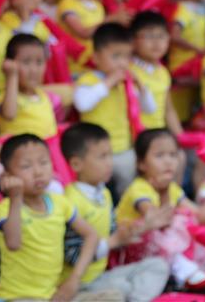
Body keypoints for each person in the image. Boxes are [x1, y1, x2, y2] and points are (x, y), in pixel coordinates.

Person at [60, 123, 171, 301]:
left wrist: (140, 228)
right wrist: (113, 241)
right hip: (79, 283)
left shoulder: (104, 193)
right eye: (102, 157)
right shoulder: (70, 201)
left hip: (103, 277)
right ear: (76, 164)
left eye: (110, 155)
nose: (109, 162)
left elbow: (113, 231)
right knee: (121, 289)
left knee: (158, 266)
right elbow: (71, 254)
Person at [0, 134, 98, 301]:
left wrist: (74, 280)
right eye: (26, 166)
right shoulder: (6, 207)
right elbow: (13, 243)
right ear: (8, 176)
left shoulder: (59, 202)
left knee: (112, 295)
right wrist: (15, 198)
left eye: (43, 162)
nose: (38, 172)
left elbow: (91, 235)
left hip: (52, 294)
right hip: (18, 297)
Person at [116, 129, 205, 290]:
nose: (168, 161)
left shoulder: (172, 188)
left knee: (190, 221)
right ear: (141, 163)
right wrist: (164, 193)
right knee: (178, 220)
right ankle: (182, 269)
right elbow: (158, 221)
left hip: (160, 247)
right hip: (131, 251)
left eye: (173, 155)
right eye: (160, 156)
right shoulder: (139, 188)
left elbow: (201, 216)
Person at [74, 22, 151, 196]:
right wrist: (109, 82)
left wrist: (141, 87)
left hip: (123, 149)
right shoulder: (89, 80)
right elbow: (82, 104)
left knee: (128, 190)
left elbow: (149, 109)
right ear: (96, 57)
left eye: (126, 57)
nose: (123, 63)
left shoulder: (126, 84)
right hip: (94, 153)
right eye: (116, 56)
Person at [0, 33, 57, 139]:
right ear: (10, 64)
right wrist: (12, 75)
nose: (33, 70)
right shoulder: (7, 98)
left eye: (39, 62)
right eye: (26, 62)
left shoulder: (43, 96)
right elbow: (9, 114)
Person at [131, 11, 183, 133]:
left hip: (157, 136)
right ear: (133, 40)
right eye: (149, 36)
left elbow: (168, 110)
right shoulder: (127, 70)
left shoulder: (163, 72)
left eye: (161, 36)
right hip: (135, 139)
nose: (156, 42)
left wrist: (181, 138)